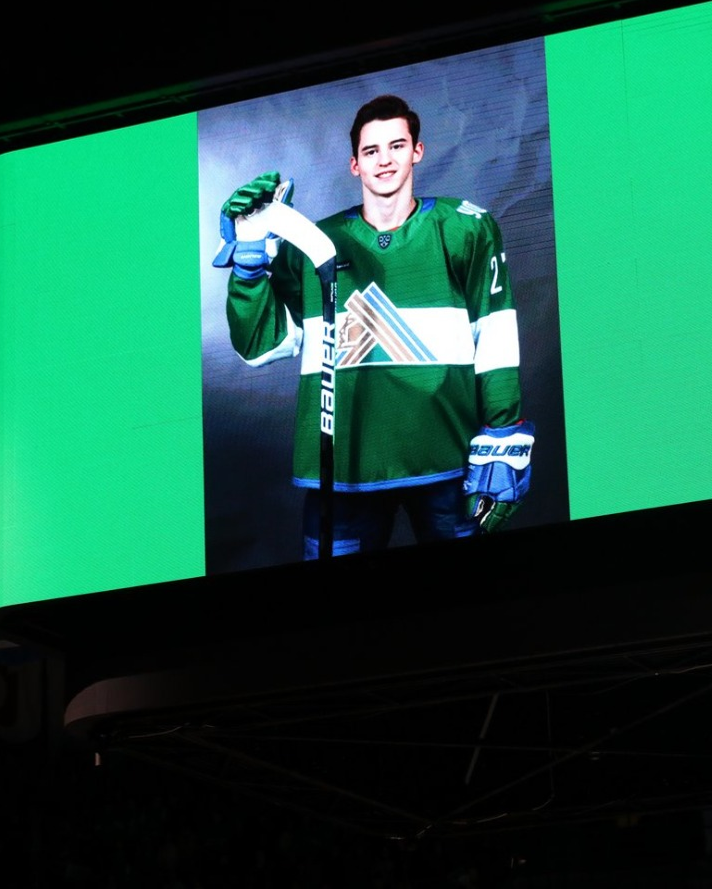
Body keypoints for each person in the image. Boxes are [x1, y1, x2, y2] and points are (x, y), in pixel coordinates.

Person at [213, 94, 532, 558]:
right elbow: (259, 346)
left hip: (446, 458)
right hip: (343, 469)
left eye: (397, 146)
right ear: (354, 164)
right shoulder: (312, 242)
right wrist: (248, 260)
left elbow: (496, 334)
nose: (384, 160)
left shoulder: (466, 228)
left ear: (417, 151)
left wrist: (504, 433)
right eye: (371, 151)